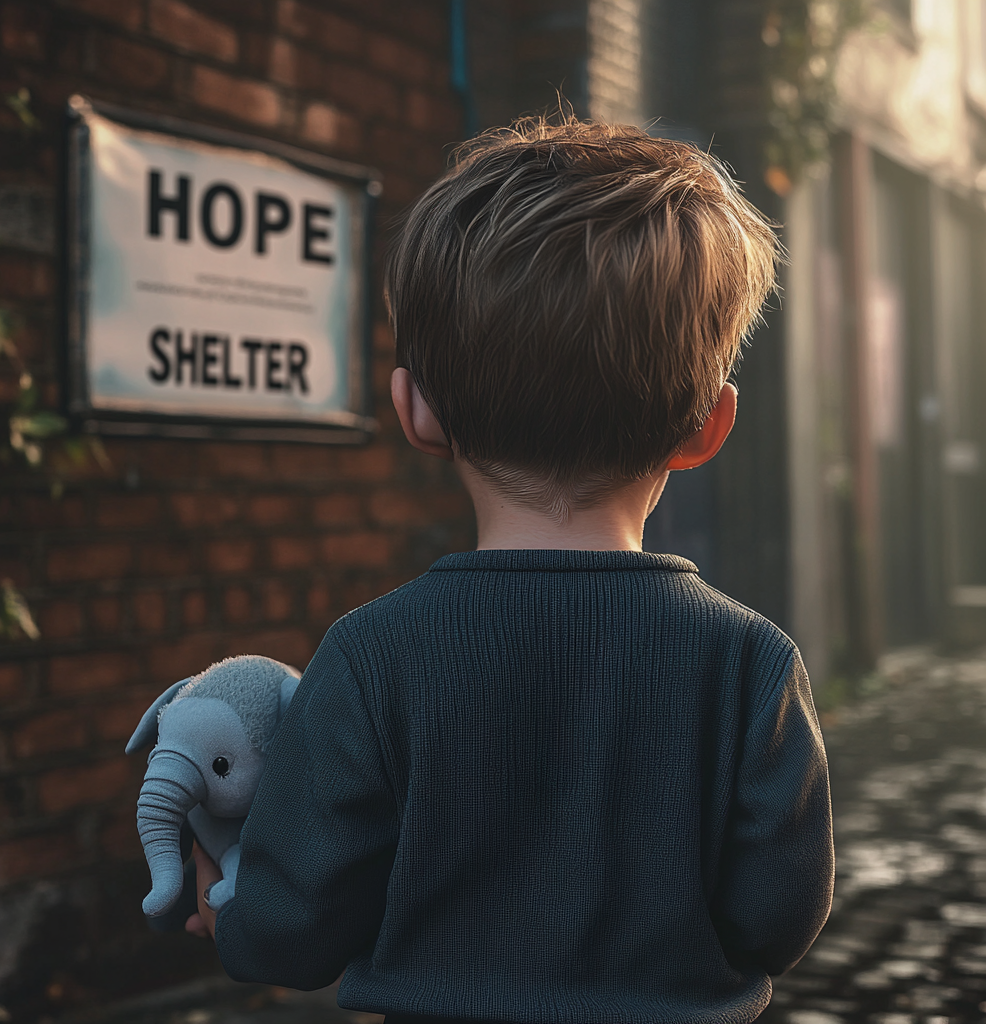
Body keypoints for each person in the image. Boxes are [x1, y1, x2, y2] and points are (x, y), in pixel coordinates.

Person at [187, 118, 833, 1024]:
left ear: (416, 410)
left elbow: (293, 932)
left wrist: (233, 908)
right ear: (708, 427)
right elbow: (775, 919)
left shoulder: (373, 655)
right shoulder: (749, 661)